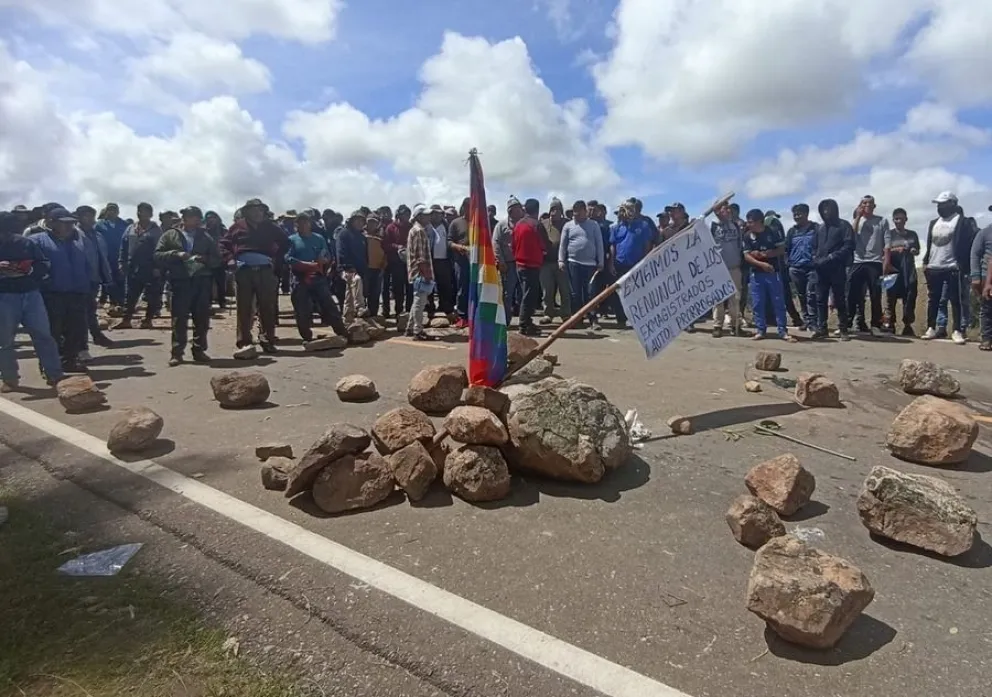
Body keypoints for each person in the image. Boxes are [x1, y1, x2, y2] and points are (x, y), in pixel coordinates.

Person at [0, 212, 64, 391]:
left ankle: (55, 375)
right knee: (5, 341)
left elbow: (43, 263)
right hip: (4, 296)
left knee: (43, 336)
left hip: (30, 293)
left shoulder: (26, 243)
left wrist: (29, 272)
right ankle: (9, 378)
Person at [220, 198, 289, 355]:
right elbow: (223, 244)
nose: (258, 213)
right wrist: (230, 259)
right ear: (247, 212)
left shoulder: (271, 227)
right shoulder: (237, 227)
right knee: (244, 307)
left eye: (260, 210)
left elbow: (285, 242)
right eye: (254, 210)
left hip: (265, 269)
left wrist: (276, 257)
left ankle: (267, 339)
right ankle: (244, 341)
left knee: (267, 306)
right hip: (243, 270)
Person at [155, 206, 222, 366]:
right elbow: (157, 255)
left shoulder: (205, 237)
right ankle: (177, 353)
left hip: (201, 280)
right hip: (180, 281)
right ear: (184, 218)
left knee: (201, 318)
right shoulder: (170, 235)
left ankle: (199, 350)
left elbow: (217, 259)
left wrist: (204, 259)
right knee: (179, 318)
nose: (195, 220)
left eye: (197, 217)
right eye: (191, 217)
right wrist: (176, 254)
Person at [34, 208, 92, 374]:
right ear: (51, 223)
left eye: (71, 223)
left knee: (75, 330)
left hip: (77, 293)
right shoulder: (38, 241)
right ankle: (48, 364)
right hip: (52, 294)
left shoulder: (79, 240)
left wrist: (87, 285)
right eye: (64, 223)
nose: (69, 226)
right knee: (52, 332)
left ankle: (69, 361)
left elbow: (87, 264)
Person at [285, 210, 347, 343]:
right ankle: (307, 337)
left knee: (329, 305)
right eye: (300, 223)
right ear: (296, 225)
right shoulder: (291, 240)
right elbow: (287, 258)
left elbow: (328, 255)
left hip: (318, 276)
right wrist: (305, 264)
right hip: (300, 278)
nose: (303, 225)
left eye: (306, 222)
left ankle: (342, 332)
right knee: (302, 309)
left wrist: (323, 261)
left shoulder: (318, 238)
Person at [922, 192, 971, 344]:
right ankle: (931, 327)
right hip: (934, 265)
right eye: (938, 204)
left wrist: (963, 264)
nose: (940, 207)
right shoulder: (933, 223)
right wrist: (925, 261)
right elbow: (930, 244)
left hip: (952, 266)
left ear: (952, 204)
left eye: (943, 204)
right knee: (934, 299)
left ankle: (957, 330)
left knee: (955, 299)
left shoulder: (962, 221)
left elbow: (969, 242)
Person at [743, 209, 792, 341]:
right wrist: (760, 263)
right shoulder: (747, 235)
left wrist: (766, 255)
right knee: (758, 303)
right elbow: (747, 255)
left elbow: (781, 249)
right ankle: (760, 330)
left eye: (751, 222)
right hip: (756, 273)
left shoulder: (773, 232)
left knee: (778, 301)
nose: (749, 224)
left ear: (759, 221)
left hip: (773, 272)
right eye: (748, 222)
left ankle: (782, 330)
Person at [934, 199, 979, 338]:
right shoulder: (944, 229)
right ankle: (942, 326)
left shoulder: (969, 226)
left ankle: (962, 327)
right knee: (943, 298)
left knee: (961, 299)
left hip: (963, 268)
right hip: (946, 266)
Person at [811, 199, 854, 341]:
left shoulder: (844, 226)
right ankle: (822, 328)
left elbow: (848, 246)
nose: (825, 212)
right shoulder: (820, 228)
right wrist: (815, 258)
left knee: (840, 299)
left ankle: (843, 329)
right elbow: (814, 246)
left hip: (837, 268)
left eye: (828, 209)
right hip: (821, 269)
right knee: (820, 299)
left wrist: (831, 257)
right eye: (823, 209)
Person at [116, 203, 163, 329]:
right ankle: (126, 320)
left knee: (152, 295)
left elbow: (160, 250)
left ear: (151, 214)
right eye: (140, 211)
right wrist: (122, 262)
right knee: (130, 295)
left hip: (150, 266)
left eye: (146, 212)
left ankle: (148, 320)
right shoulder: (131, 228)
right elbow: (123, 247)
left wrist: (158, 267)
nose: (142, 214)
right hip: (133, 266)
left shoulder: (156, 230)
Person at [75, 205, 115, 354]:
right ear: (79, 217)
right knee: (81, 314)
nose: (90, 219)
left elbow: (102, 258)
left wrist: (106, 276)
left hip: (94, 278)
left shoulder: (96, 235)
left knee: (90, 310)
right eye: (87, 216)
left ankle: (96, 336)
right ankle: (82, 345)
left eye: (92, 216)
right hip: (80, 280)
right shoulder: (74, 234)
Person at [559, 200, 604, 329]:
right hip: (573, 263)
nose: (576, 215)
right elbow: (563, 245)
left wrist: (600, 262)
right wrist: (561, 261)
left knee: (591, 292)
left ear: (585, 211)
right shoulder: (568, 226)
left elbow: (599, 244)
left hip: (590, 264)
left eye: (579, 212)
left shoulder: (594, 225)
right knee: (575, 293)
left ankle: (593, 319)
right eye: (575, 213)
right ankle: (576, 319)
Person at [847, 195, 889, 336]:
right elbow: (850, 237)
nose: (867, 205)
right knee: (852, 293)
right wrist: (858, 217)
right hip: (858, 261)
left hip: (875, 261)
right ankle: (847, 323)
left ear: (874, 206)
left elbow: (887, 244)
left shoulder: (882, 221)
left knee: (875, 295)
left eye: (870, 203)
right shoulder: (856, 221)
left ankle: (876, 325)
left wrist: (886, 263)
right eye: (864, 203)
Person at [609, 201, 654, 329]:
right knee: (619, 294)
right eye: (624, 209)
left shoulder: (643, 226)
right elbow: (613, 246)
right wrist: (611, 263)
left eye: (629, 209)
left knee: (637, 293)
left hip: (636, 265)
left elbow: (647, 245)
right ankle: (621, 319)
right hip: (619, 264)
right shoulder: (616, 227)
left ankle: (637, 319)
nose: (626, 212)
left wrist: (644, 262)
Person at [883, 208, 920, 336]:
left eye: (901, 218)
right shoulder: (889, 234)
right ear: (893, 220)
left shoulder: (912, 234)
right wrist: (895, 250)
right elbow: (884, 251)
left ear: (906, 220)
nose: (899, 221)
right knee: (890, 297)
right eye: (896, 219)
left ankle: (908, 324)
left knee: (910, 296)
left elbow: (917, 250)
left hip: (908, 269)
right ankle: (890, 323)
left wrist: (913, 250)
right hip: (893, 269)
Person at [710, 202, 744, 337]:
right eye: (723, 209)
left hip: (734, 267)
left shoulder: (737, 225)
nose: (727, 211)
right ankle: (717, 325)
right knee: (718, 298)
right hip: (718, 268)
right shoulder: (712, 227)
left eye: (728, 208)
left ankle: (736, 326)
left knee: (735, 299)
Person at [513, 198, 545, 337]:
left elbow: (512, 244)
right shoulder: (536, 225)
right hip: (532, 264)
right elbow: (544, 244)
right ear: (537, 210)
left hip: (519, 264)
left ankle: (526, 321)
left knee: (525, 294)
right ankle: (524, 324)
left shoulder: (518, 224)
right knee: (529, 295)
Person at [785, 203, 818, 332]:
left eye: (799, 213)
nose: (797, 216)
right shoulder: (792, 231)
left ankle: (814, 321)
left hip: (812, 267)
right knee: (801, 295)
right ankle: (806, 321)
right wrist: (788, 262)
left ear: (806, 213)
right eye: (795, 214)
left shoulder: (815, 228)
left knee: (812, 295)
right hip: (796, 267)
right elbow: (786, 249)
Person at [405, 204, 435, 341]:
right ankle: (418, 331)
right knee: (419, 302)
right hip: (420, 273)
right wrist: (426, 273)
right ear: (419, 216)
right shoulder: (419, 231)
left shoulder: (417, 230)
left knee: (417, 301)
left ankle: (410, 327)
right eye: (426, 215)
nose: (429, 217)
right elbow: (420, 256)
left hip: (418, 272)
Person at [540, 198, 571, 324]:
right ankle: (548, 314)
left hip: (563, 262)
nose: (554, 212)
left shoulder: (568, 223)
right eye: (552, 209)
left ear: (561, 211)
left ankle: (566, 314)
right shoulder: (543, 223)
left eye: (557, 209)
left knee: (565, 290)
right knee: (547, 290)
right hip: (545, 263)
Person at [493, 196, 524, 319]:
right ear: (509, 211)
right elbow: (495, 243)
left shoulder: (525, 224)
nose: (518, 211)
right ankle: (505, 319)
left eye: (519, 208)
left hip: (523, 263)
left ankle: (523, 319)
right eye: (515, 209)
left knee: (523, 293)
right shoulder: (501, 225)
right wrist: (500, 261)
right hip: (508, 264)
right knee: (507, 293)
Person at [337, 210, 369, 324]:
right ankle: (360, 307)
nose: (359, 223)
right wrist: (348, 267)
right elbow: (341, 252)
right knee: (356, 281)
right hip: (346, 268)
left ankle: (347, 318)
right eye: (357, 220)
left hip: (360, 269)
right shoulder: (344, 234)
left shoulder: (362, 237)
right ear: (352, 221)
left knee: (350, 293)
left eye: (362, 221)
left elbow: (365, 254)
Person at [94, 202, 128, 308]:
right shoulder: (99, 225)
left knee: (121, 280)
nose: (112, 212)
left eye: (114, 210)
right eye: (109, 210)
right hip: (106, 258)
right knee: (109, 280)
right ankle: (113, 303)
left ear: (118, 212)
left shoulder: (124, 224)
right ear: (106, 211)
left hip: (120, 257)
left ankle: (122, 304)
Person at [382, 205, 412, 317]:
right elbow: (385, 244)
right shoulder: (391, 228)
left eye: (408, 215)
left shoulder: (411, 227)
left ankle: (409, 310)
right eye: (404, 214)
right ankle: (399, 311)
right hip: (395, 262)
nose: (406, 217)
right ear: (399, 215)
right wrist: (397, 246)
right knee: (397, 287)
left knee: (410, 286)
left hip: (409, 261)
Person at [447, 198, 471, 329]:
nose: (470, 209)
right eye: (467, 207)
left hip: (476, 259)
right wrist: (458, 247)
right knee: (463, 287)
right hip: (461, 260)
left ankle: (474, 316)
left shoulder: (480, 223)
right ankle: (462, 316)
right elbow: (449, 241)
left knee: (476, 288)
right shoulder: (456, 223)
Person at [427, 205, 454, 317]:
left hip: (444, 261)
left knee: (445, 285)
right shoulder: (427, 227)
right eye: (434, 213)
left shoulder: (446, 226)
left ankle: (446, 308)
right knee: (429, 286)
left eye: (439, 213)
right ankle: (430, 309)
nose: (437, 215)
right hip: (430, 260)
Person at [363, 213, 387, 319]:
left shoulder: (382, 235)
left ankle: (374, 315)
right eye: (370, 222)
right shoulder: (361, 234)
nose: (372, 224)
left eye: (374, 222)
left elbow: (386, 251)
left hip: (378, 267)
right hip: (365, 268)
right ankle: (363, 316)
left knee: (375, 293)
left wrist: (384, 263)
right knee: (363, 293)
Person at [204, 211, 229, 310]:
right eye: (209, 218)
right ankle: (208, 302)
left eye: (213, 217)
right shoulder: (203, 231)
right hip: (208, 261)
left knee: (221, 283)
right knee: (207, 284)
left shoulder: (223, 231)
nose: (211, 220)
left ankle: (222, 301)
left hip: (220, 261)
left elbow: (228, 243)